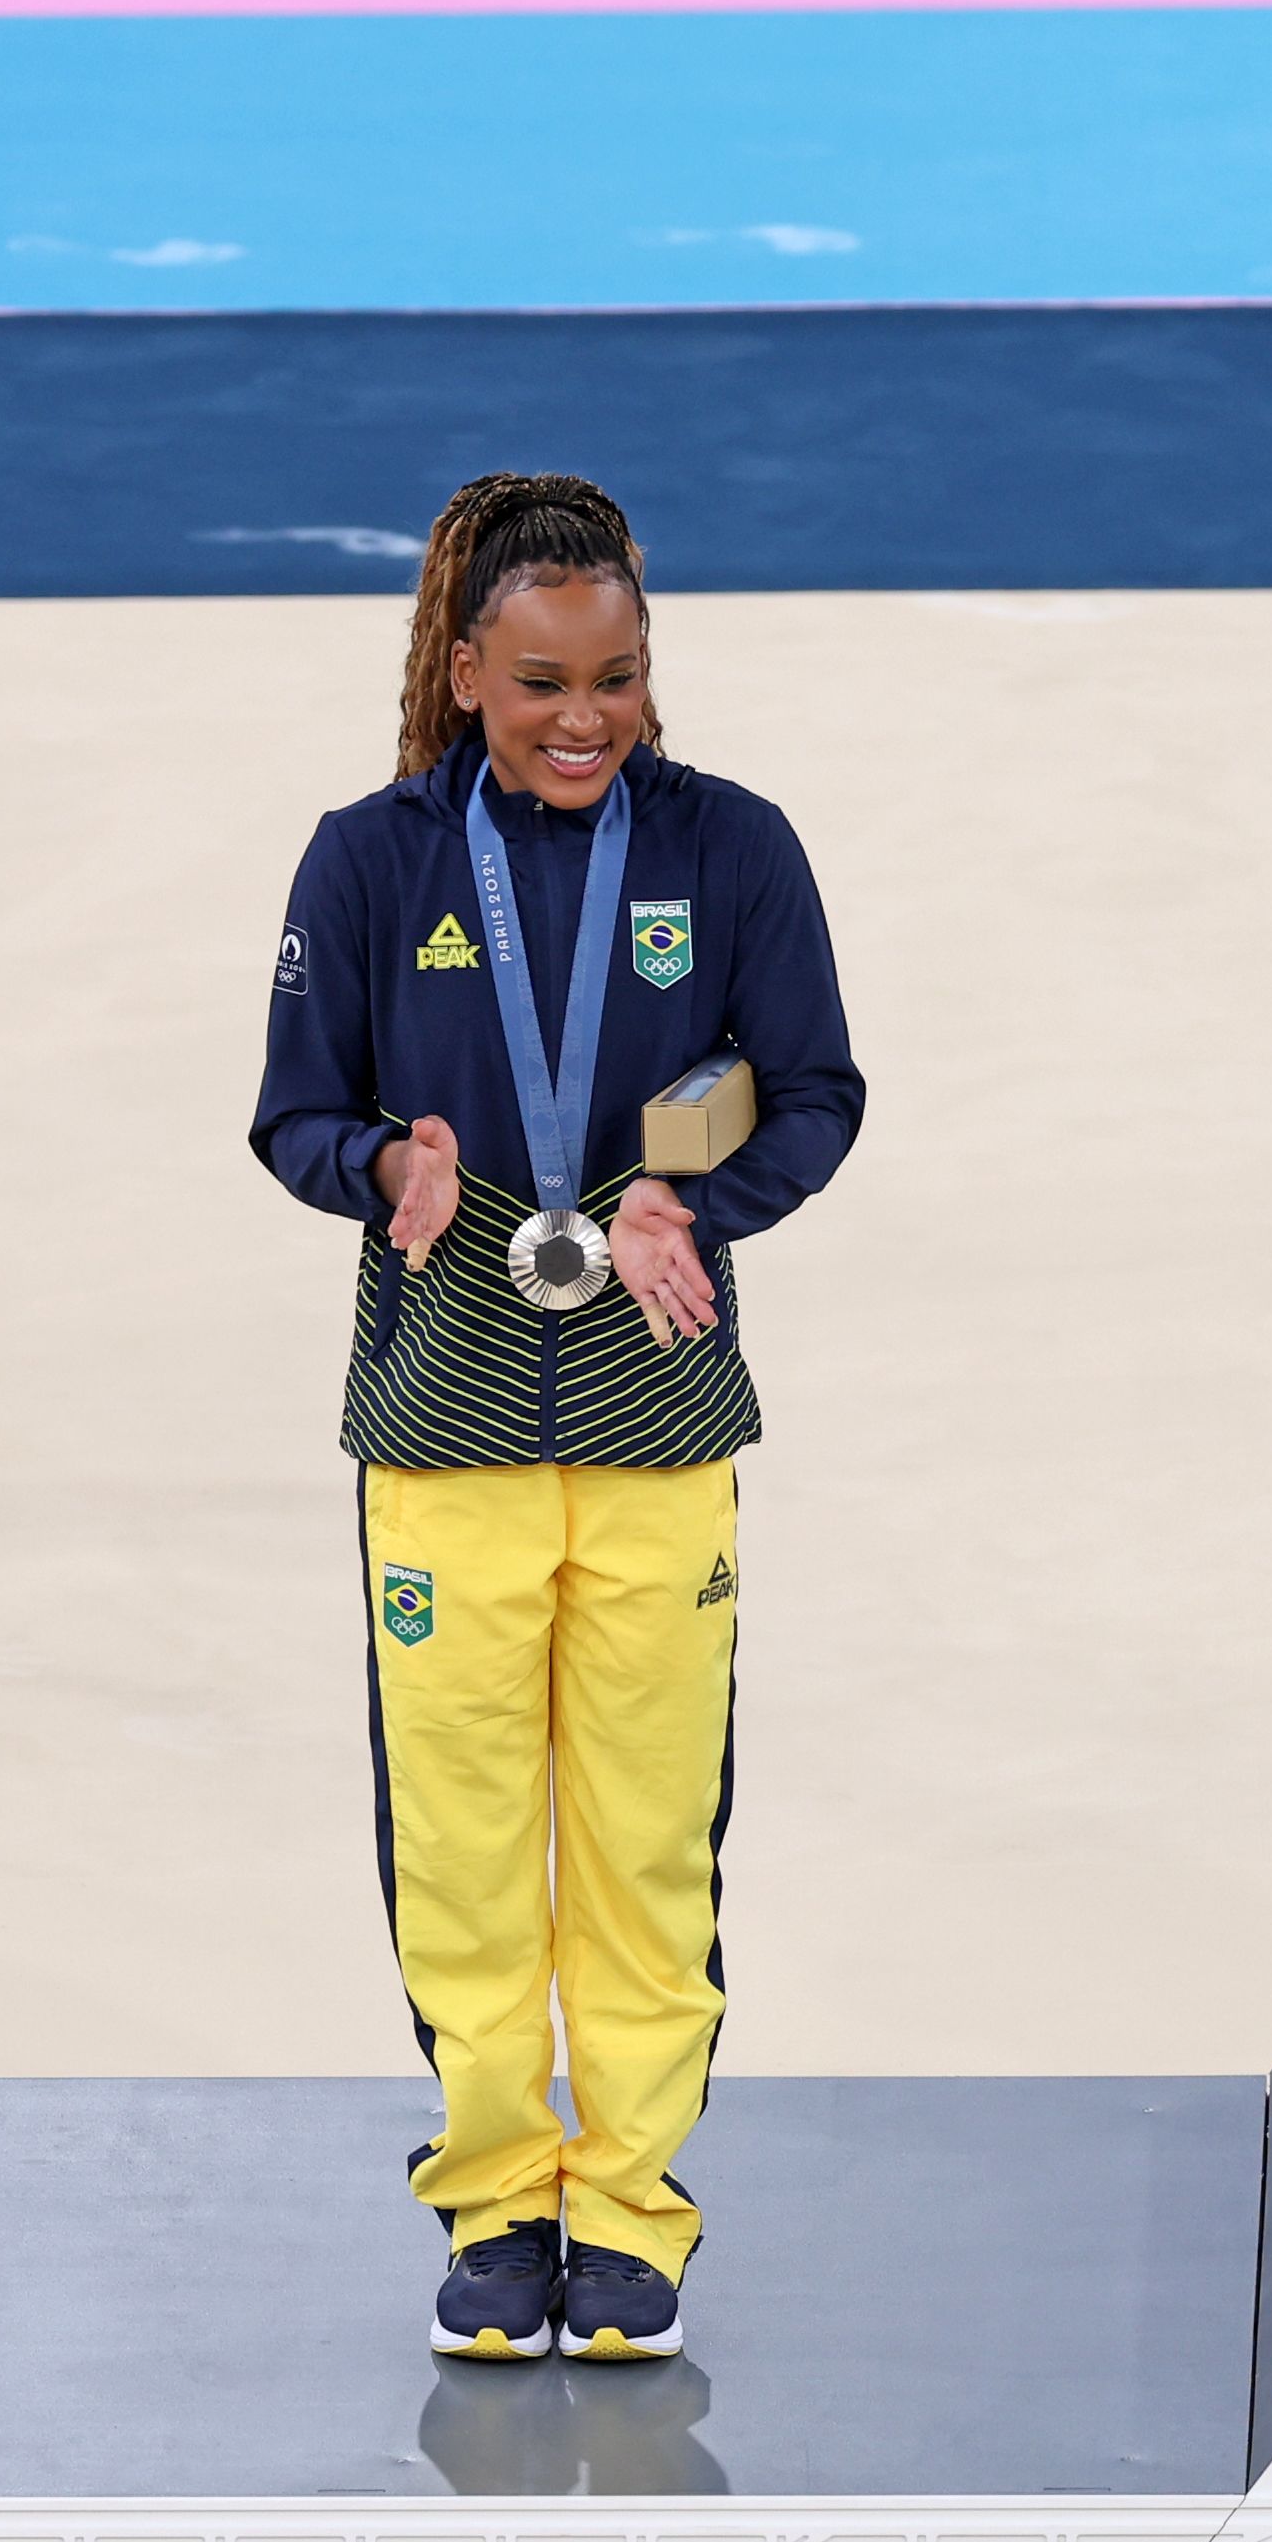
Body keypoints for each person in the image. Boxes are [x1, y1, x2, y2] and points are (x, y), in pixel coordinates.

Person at [251, 474, 864, 2359]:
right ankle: (498, 2194)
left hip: (658, 1414)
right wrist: (383, 1170)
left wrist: (698, 1192)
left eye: (613, 675)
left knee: (646, 1837)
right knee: (457, 1837)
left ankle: (631, 2208)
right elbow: (291, 1113)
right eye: (536, 682)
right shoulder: (368, 862)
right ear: (465, 671)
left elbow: (815, 1090)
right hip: (440, 1428)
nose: (580, 716)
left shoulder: (734, 849)